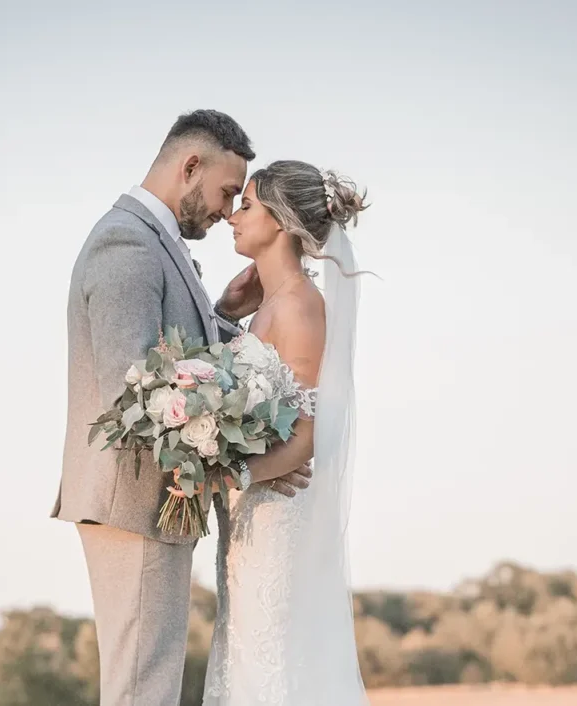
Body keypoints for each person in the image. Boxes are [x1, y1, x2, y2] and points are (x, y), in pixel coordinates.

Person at [52, 110, 311, 706]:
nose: (227, 211)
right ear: (189, 166)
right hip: (134, 500)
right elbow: (135, 391)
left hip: (152, 501)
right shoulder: (127, 242)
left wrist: (221, 313)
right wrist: (246, 461)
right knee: (142, 689)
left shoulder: (153, 242)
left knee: (150, 684)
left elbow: (168, 367)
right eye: (225, 192)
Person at [203, 160, 371, 705]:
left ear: (279, 220)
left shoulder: (300, 306)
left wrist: (224, 476)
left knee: (272, 662)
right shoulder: (268, 306)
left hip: (277, 513)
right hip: (250, 513)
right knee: (246, 658)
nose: (232, 216)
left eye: (246, 205)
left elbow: (306, 435)